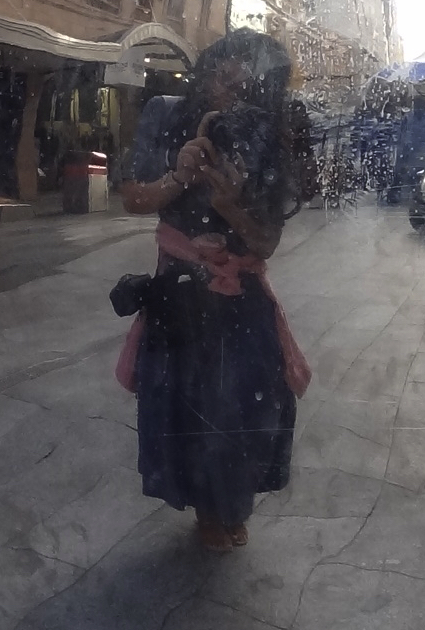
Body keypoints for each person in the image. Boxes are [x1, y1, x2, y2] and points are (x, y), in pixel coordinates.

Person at [117, 29, 311, 552]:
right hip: (181, 294)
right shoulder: (165, 112)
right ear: (206, 67)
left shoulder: (270, 136)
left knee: (250, 408)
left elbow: (265, 242)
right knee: (187, 405)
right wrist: (178, 177)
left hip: (243, 299)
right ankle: (207, 506)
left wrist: (229, 205)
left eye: (247, 81)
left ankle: (233, 502)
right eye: (224, 71)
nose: (230, 87)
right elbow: (133, 198)